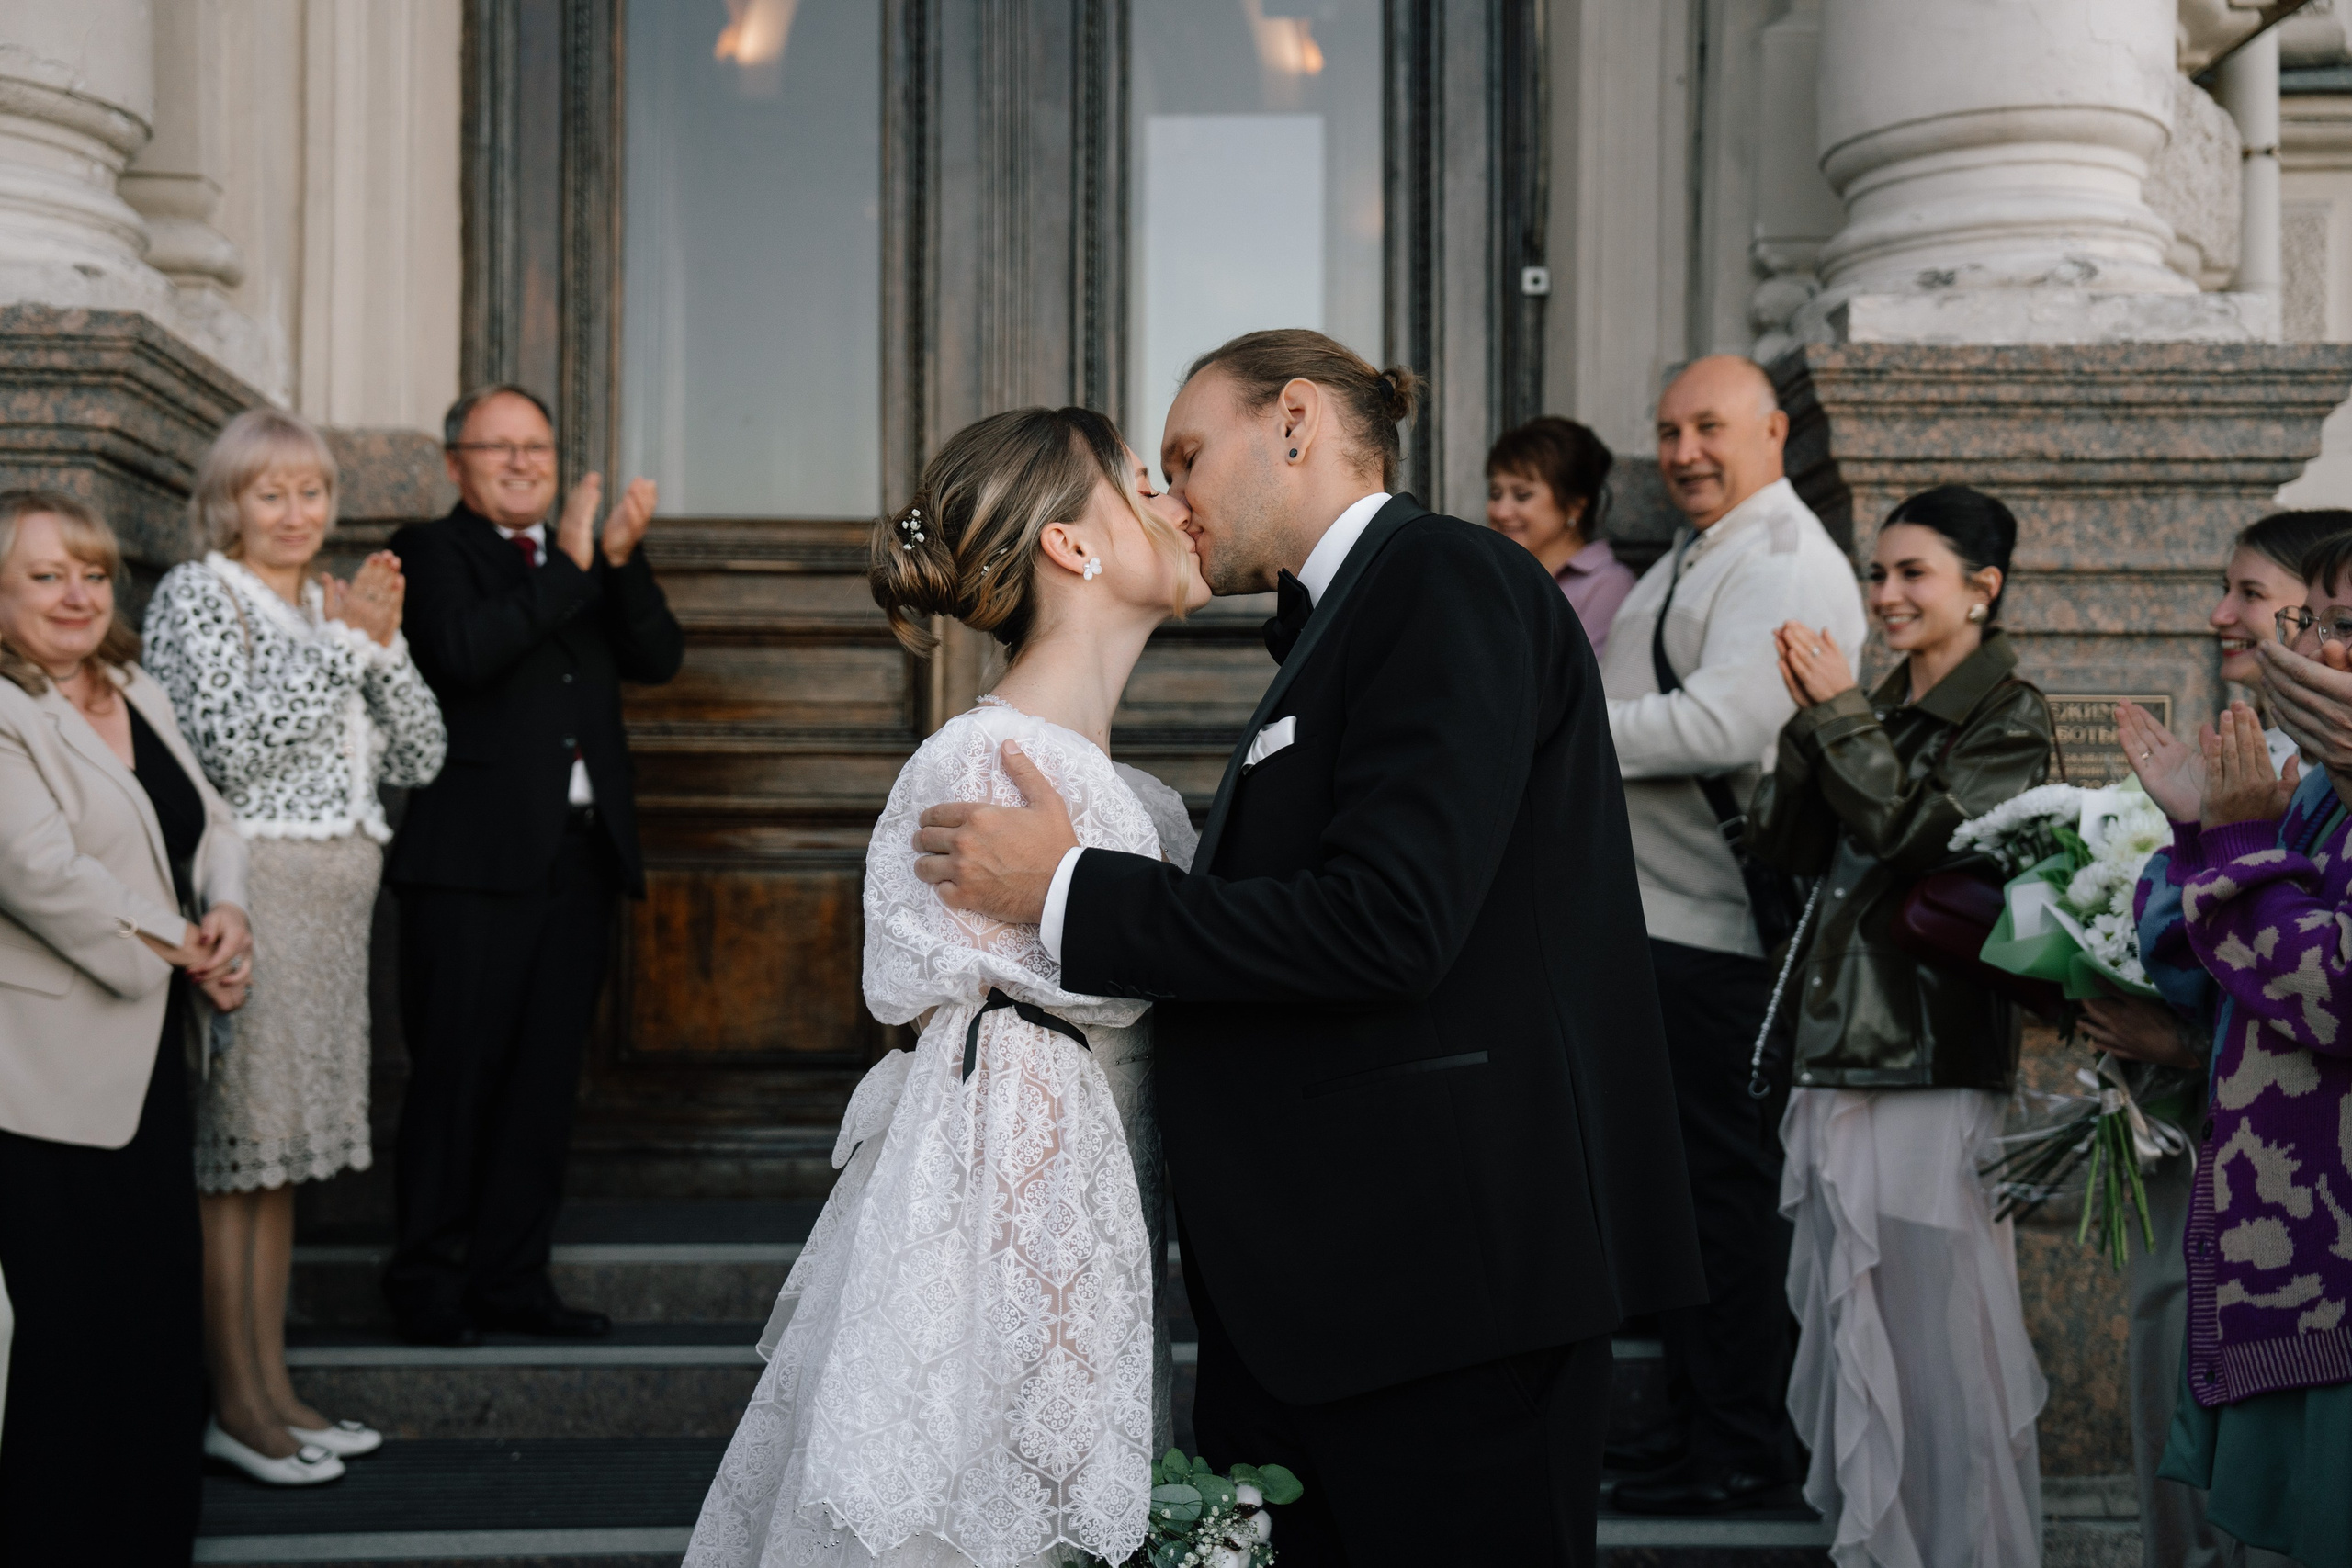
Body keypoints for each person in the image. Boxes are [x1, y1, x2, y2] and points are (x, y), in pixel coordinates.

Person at [904, 329, 1705, 1568]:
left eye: (1185, 455)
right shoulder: (1348, 619)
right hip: (1346, 1299)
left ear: (1293, 421)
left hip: (1446, 1290)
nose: (1172, 498)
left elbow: (1389, 921)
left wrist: (1065, 889)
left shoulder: (1442, 577)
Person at [687, 407, 1198, 1568]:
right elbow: (1006, 1110)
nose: (1177, 505)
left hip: (1108, 1252)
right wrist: (1057, 1386)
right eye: (1143, 484)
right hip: (1011, 1286)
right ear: (1072, 544)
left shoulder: (1130, 798)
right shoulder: (990, 768)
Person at [1746, 484, 2053, 1567]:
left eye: (1912, 573)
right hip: (1840, 1051)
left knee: (1940, 1342)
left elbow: (1921, 838)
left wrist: (1838, 715)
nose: (1884, 594)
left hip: (1926, 1058)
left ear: (1982, 588)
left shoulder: (2008, 712)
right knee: (1856, 1328)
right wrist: (1811, 719)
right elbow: (1784, 849)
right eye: (1876, 573)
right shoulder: (1876, 702)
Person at [141, 406, 447, 1481]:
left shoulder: (328, 602)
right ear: (227, 503)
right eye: (268, 493)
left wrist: (379, 647)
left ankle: (272, 1390)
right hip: (254, 893)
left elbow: (419, 753)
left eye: (310, 491)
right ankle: (234, 1407)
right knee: (238, 1157)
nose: (293, 511)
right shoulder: (198, 594)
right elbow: (226, 750)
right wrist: (345, 649)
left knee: (278, 1165)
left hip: (336, 909)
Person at [1601, 355, 1866, 1515]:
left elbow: (1723, 724)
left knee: (1722, 1198)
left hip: (1717, 934)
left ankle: (1744, 1448)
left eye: (1709, 426)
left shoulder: (1783, 557)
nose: (1683, 451)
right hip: (1661, 923)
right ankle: (1699, 1429)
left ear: (1773, 432)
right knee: (1685, 1196)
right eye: (1668, 431)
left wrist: (1556, 726)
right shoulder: (1702, 549)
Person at [383, 385, 683, 1346]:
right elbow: (463, 653)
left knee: (543, 1085)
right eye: (498, 447)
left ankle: (512, 1280)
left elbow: (657, 656)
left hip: (580, 860)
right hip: (469, 866)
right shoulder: (430, 550)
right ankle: (426, 1286)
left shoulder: (581, 556)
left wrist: (618, 561)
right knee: (454, 1079)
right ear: (455, 464)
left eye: (536, 448)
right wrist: (573, 564)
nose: (521, 463)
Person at [0, 491, 258, 1558]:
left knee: (152, 1306)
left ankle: (151, 1536)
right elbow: (37, 872)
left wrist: (228, 909)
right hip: (43, 1070)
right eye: (45, 575)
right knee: (65, 1324)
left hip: (153, 1048)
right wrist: (187, 944)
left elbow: (214, 820)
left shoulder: (133, 685)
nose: (78, 595)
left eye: (94, 574)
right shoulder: (4, 709)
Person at [2097, 509, 2352, 1568]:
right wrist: (2203, 831)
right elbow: (2204, 940)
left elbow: (2329, 993)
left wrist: (2232, 841)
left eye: (2342, 624)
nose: (2319, 650)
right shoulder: (2325, 790)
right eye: (2320, 622)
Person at [1486, 414, 1636, 659]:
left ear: (1574, 506)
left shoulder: (1607, 585)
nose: (1501, 512)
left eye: (1522, 495)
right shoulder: (1491, 574)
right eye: (1495, 494)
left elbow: (1581, 679)